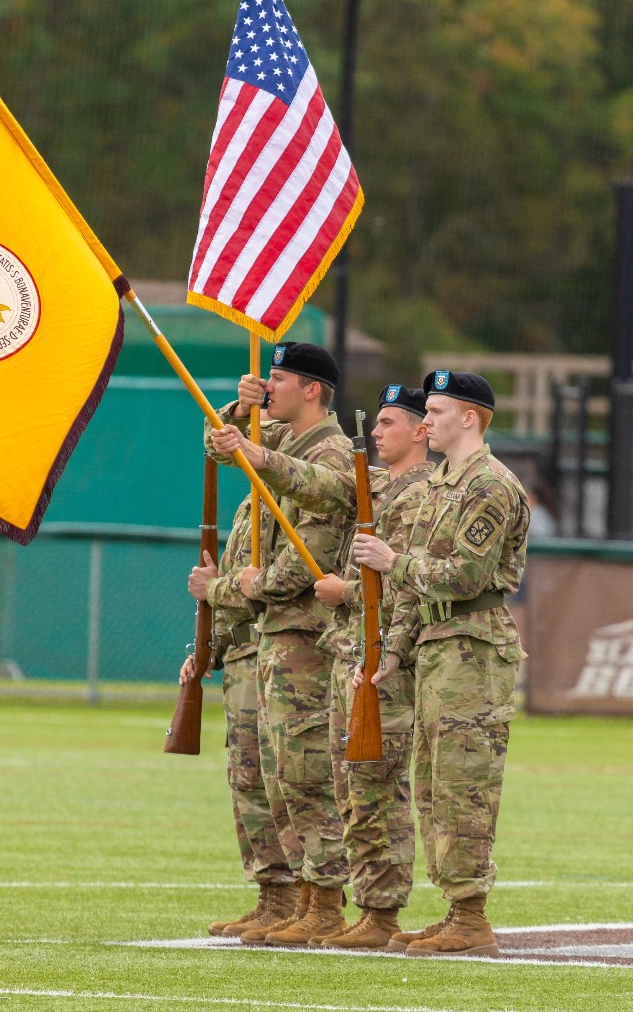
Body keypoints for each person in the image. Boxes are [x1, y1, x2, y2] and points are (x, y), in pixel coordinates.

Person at [212, 383, 433, 950]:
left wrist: (341, 594)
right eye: (376, 424)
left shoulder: (431, 491)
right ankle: (314, 900)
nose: (378, 433)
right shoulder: (371, 483)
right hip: (345, 647)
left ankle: (351, 905)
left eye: (390, 423)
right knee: (312, 775)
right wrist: (245, 421)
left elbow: (423, 579)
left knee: (361, 781)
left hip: (378, 648)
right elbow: (311, 480)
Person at [354, 370, 529, 958]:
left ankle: (472, 918)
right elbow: (420, 590)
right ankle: (456, 910)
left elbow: (465, 576)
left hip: (473, 651)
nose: (424, 421)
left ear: (471, 418)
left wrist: (391, 559)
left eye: (436, 410)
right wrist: (394, 651)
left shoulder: (490, 486)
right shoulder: (442, 485)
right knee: (431, 784)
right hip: (436, 647)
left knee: (463, 786)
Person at [205, 341, 354, 947]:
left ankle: (322, 900)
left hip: (307, 634)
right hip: (270, 633)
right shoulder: (282, 443)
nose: (267, 386)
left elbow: (310, 553)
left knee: (304, 770)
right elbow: (216, 452)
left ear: (312, 389)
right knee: (266, 773)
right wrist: (237, 420)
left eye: (279, 377)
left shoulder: (332, 453)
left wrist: (241, 585)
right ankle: (279, 895)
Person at [182, 472, 304, 938]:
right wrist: (207, 648)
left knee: (273, 779)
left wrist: (214, 588)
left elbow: (267, 586)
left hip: (268, 653)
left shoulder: (289, 504)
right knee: (246, 781)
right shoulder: (249, 505)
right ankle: (272, 892)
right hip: (237, 656)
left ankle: (294, 893)